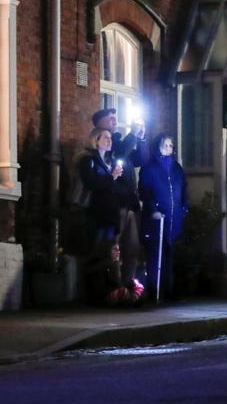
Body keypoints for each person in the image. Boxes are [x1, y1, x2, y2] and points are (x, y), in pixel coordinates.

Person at [92, 108, 148, 294]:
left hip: (129, 202)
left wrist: (140, 137)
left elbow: (141, 159)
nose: (115, 122)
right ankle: (114, 287)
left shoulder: (119, 140)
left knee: (132, 246)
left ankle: (128, 283)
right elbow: (122, 153)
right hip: (115, 204)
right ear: (100, 123)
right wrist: (131, 135)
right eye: (111, 119)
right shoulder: (108, 145)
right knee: (114, 248)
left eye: (116, 119)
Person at [78, 127, 134, 305]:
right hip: (96, 214)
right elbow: (92, 183)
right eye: (106, 138)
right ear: (96, 140)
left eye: (110, 138)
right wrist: (111, 177)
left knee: (111, 253)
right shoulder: (88, 160)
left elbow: (113, 187)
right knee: (97, 252)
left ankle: (109, 291)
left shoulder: (109, 161)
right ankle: (94, 293)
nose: (109, 141)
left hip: (110, 214)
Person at [138, 133, 188, 302]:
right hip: (157, 218)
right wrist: (153, 209)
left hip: (175, 217)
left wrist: (183, 208)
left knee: (171, 254)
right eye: (165, 145)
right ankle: (154, 289)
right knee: (156, 254)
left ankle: (170, 289)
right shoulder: (149, 168)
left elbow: (184, 190)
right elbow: (145, 191)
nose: (168, 149)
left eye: (170, 146)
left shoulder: (177, 168)